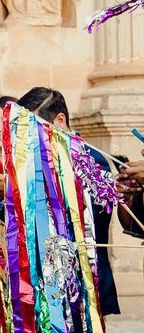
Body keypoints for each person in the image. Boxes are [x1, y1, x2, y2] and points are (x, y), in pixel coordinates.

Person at [18, 87, 121, 316]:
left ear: (60, 120)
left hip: (85, 283)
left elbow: (93, 220)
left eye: (32, 129)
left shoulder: (91, 160)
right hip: (46, 285)